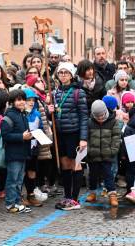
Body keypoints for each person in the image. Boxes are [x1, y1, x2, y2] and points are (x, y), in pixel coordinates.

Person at [51, 62, 88, 211]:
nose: (63, 75)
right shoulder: (55, 93)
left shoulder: (79, 92)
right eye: (61, 72)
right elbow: (54, 114)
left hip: (75, 133)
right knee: (65, 164)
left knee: (76, 164)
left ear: (71, 75)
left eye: (66, 72)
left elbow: (84, 116)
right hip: (61, 133)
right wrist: (49, 110)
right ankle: (67, 196)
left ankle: (75, 199)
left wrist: (83, 138)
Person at [1, 89, 34, 214]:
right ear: (12, 102)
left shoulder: (22, 114)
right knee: (12, 180)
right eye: (18, 100)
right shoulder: (9, 116)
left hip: (22, 153)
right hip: (13, 154)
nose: (22, 102)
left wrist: (31, 135)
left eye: (23, 99)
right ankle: (10, 204)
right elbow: (5, 135)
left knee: (19, 180)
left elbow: (24, 133)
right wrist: (21, 136)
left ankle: (17, 202)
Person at [85, 100, 121, 207]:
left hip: (107, 155)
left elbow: (116, 137)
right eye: (97, 116)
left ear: (106, 112)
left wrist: (112, 150)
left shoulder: (113, 121)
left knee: (108, 175)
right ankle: (92, 192)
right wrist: (88, 150)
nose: (100, 118)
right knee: (92, 175)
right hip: (93, 154)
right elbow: (86, 138)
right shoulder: (89, 122)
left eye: (102, 115)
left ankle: (112, 195)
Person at [22, 88, 51, 207]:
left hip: (34, 147)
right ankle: (19, 196)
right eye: (28, 100)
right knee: (21, 172)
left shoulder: (37, 114)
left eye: (33, 100)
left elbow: (42, 129)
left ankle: (31, 195)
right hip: (22, 147)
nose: (31, 102)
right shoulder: (20, 114)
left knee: (32, 171)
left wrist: (41, 136)